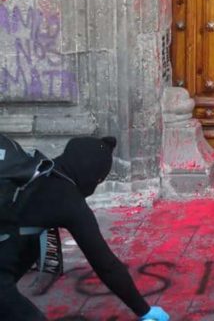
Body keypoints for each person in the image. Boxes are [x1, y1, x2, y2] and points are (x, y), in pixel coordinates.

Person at [0, 137, 170, 321]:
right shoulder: (68, 201)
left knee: (32, 238)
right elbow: (107, 266)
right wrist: (144, 310)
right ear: (92, 175)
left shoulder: (34, 170)